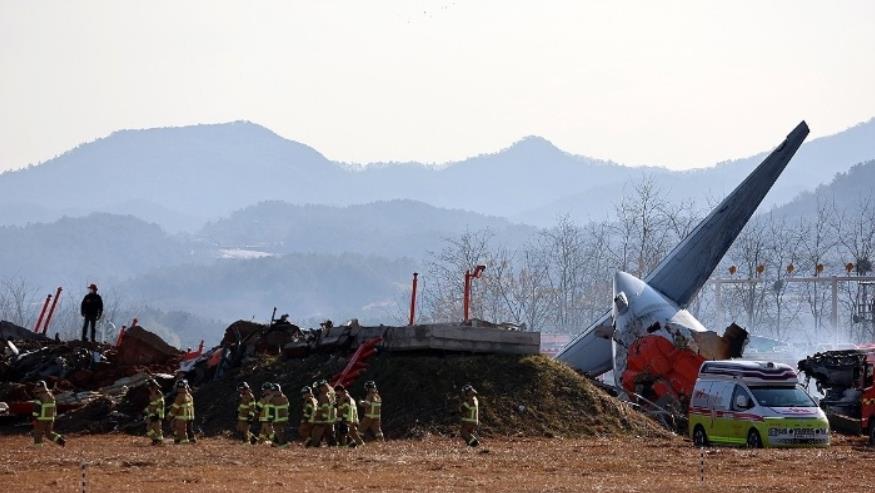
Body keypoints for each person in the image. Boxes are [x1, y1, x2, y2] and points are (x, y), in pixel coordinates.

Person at [31, 380, 65, 447]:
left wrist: (34, 419)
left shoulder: (39, 398)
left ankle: (38, 448)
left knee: (38, 434)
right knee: (49, 433)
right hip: (50, 418)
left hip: (41, 419)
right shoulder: (51, 397)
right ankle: (60, 440)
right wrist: (54, 416)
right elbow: (54, 408)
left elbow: (36, 410)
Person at [305, 380, 334, 447]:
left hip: (322, 421)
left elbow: (325, 409)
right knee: (330, 438)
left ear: (322, 387)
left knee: (315, 436)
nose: (317, 390)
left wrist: (321, 418)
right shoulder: (329, 395)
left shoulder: (323, 396)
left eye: (318, 388)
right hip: (328, 420)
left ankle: (314, 446)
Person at [167, 380, 195, 444]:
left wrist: (169, 416)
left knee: (180, 429)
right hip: (190, 416)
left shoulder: (180, 396)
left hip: (182, 417)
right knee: (189, 429)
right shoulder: (189, 396)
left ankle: (184, 442)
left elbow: (175, 408)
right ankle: (192, 439)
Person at [144, 378, 165, 446]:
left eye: (149, 387)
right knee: (149, 427)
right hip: (152, 413)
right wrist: (147, 410)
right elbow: (152, 404)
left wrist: (157, 414)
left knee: (157, 428)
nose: (148, 388)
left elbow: (161, 404)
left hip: (157, 414)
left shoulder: (158, 393)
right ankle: (155, 440)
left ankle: (159, 441)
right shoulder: (151, 394)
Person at [270, 383, 290, 448]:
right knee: (280, 433)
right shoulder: (284, 397)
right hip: (284, 418)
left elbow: (270, 407)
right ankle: (275, 444)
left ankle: (283, 446)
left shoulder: (273, 399)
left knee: (279, 433)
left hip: (277, 419)